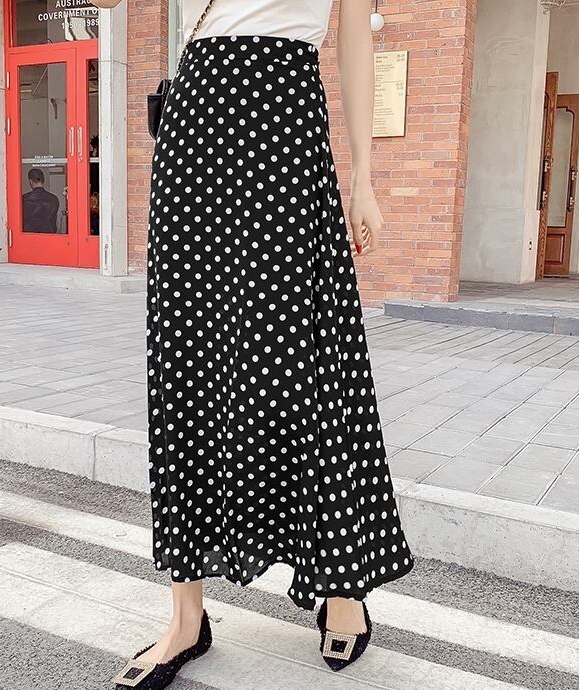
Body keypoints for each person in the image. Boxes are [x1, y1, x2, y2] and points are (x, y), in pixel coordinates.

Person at [91, 1, 415, 688]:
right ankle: (185, 617)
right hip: (196, 122)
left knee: (307, 358)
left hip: (283, 118)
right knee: (187, 360)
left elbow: (355, 37)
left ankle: (342, 585)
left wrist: (363, 176)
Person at [22, 168, 60, 233]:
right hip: (48, 236)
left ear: (30, 181)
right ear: (43, 180)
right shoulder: (54, 199)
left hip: (29, 236)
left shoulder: (23, 199)